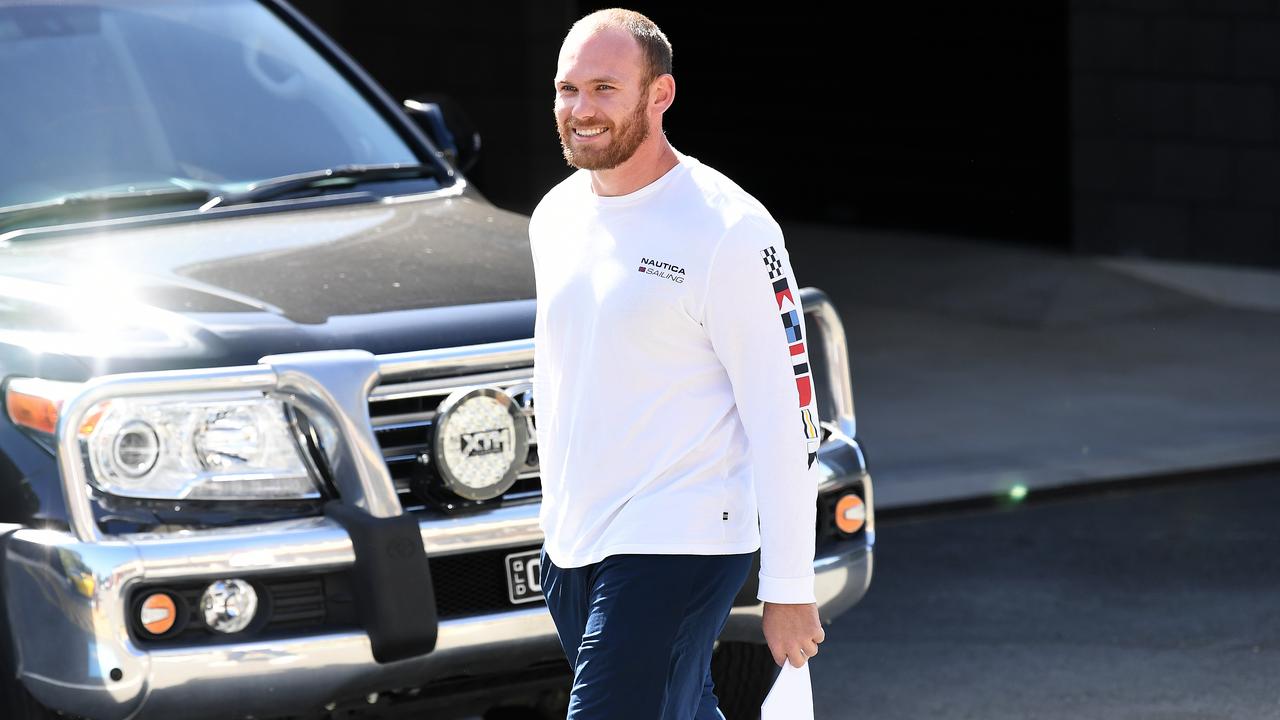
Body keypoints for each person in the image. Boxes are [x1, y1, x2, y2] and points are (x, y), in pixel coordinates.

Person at [528, 8, 825, 719]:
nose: (581, 110)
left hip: (682, 535)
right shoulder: (555, 216)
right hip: (574, 545)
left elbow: (788, 419)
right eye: (568, 90)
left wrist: (788, 585)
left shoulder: (729, 229)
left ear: (659, 95)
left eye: (605, 88)